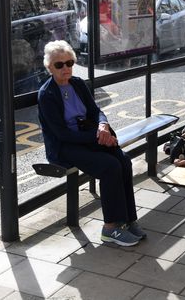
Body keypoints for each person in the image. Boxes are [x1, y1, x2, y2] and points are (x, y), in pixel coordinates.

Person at [37, 40, 145, 246]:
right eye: (59, 65)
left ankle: (129, 220)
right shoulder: (47, 94)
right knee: (110, 166)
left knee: (124, 161)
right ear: (49, 67)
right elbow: (61, 134)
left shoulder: (77, 83)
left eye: (69, 63)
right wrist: (98, 135)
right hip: (65, 147)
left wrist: (103, 125)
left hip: (88, 137)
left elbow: (96, 111)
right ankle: (110, 229)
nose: (65, 68)